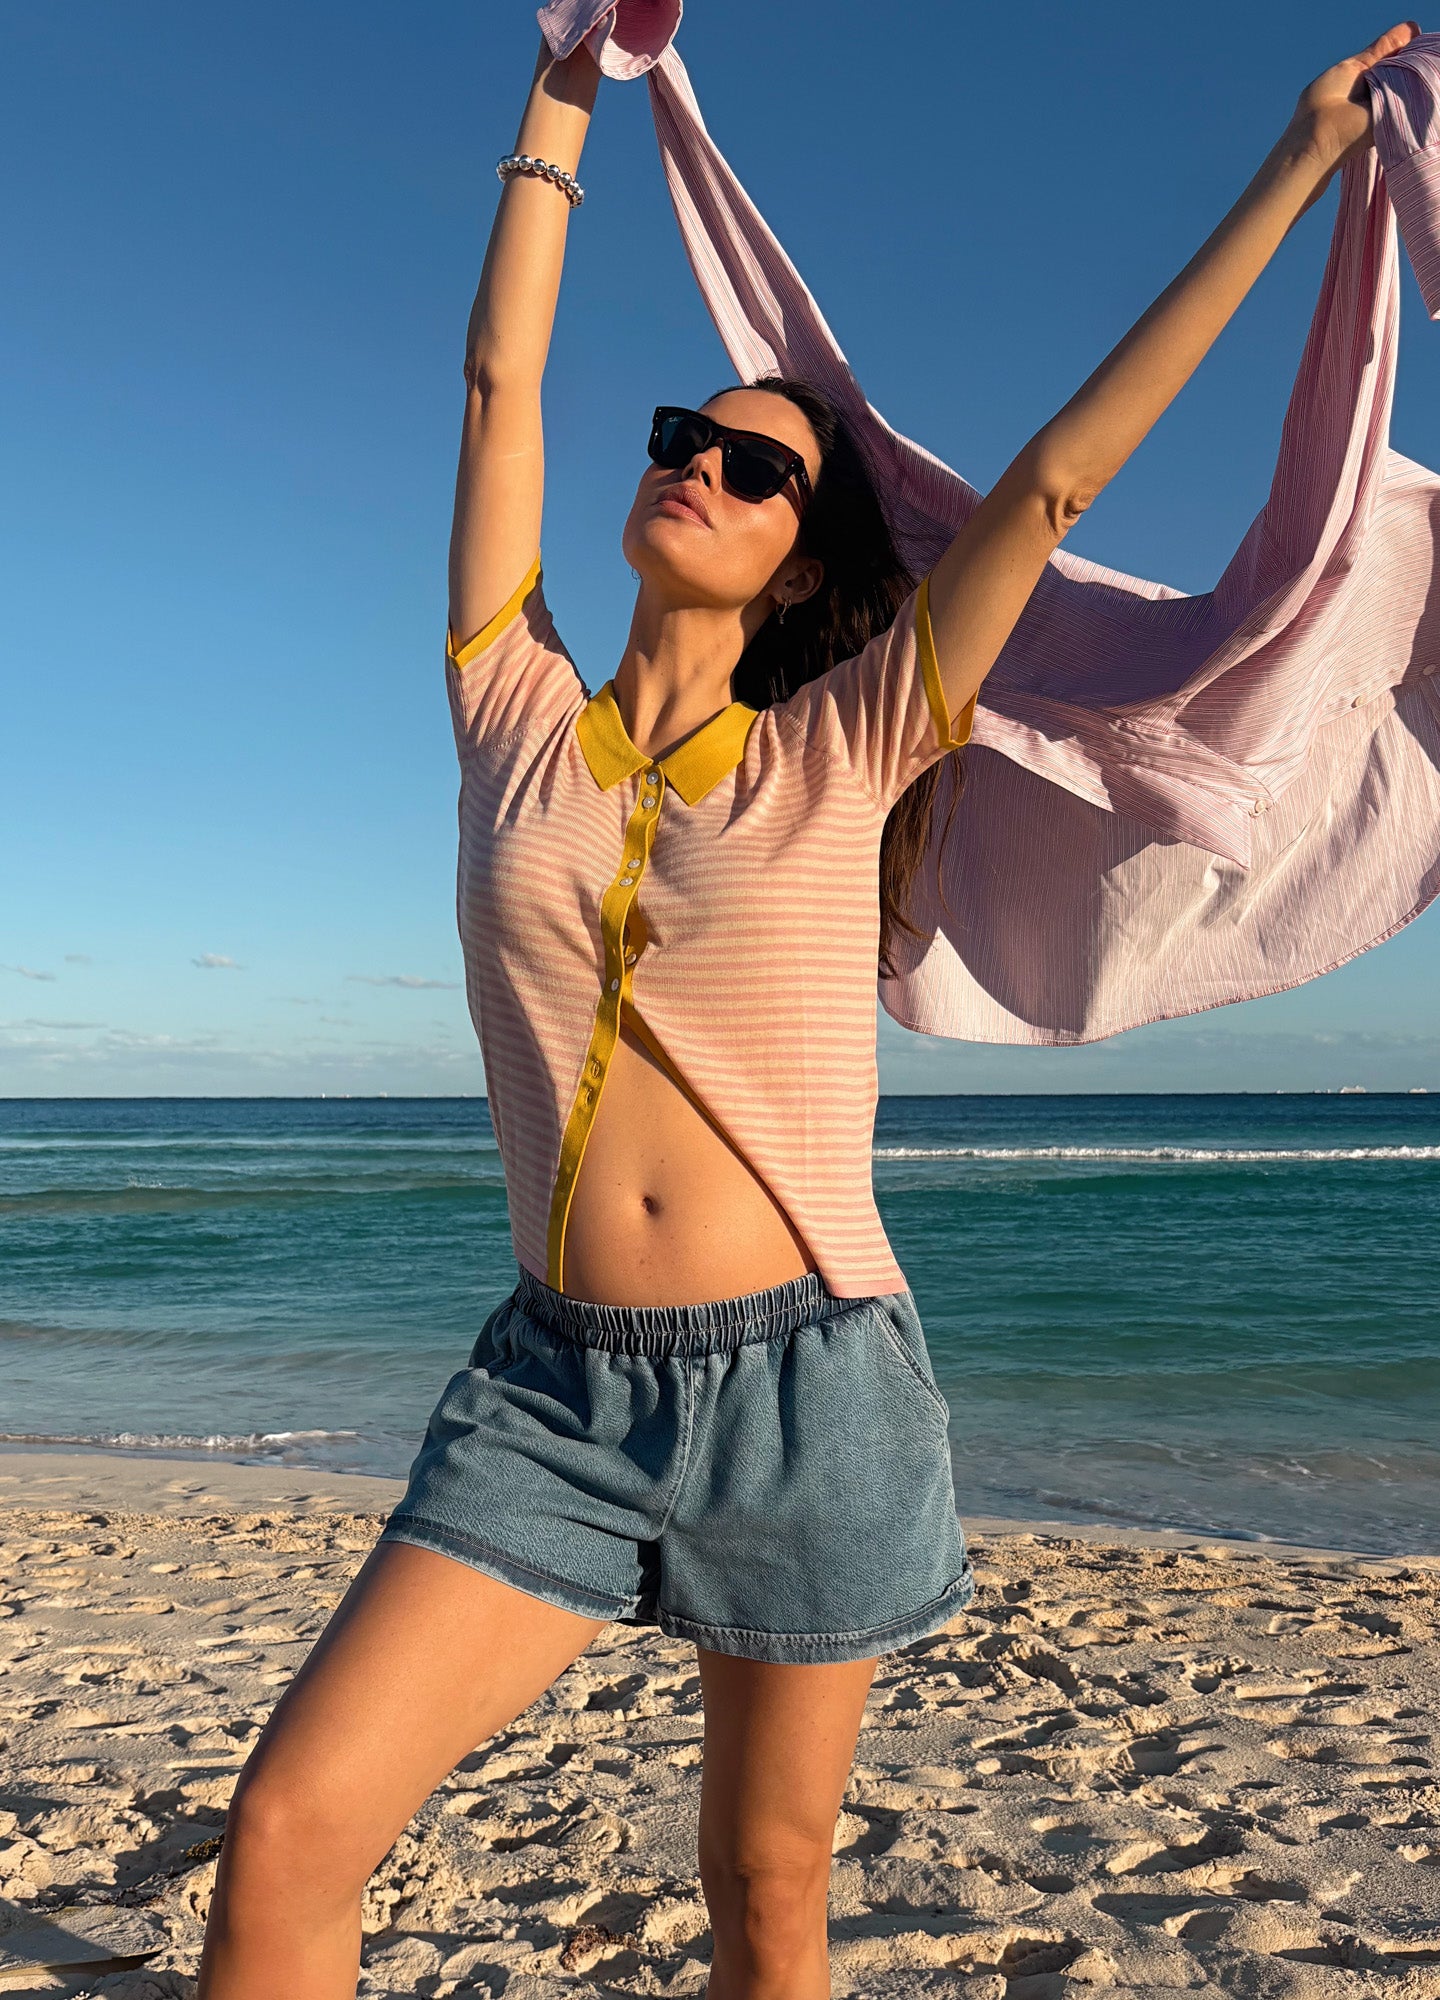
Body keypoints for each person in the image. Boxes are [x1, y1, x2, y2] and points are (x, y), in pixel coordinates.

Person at [197, 19, 1418, 1998]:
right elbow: (502, 377)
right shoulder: (513, 708)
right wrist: (564, 79)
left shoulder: (852, 743)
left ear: (802, 556)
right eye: (684, 432)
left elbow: (1054, 479)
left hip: (811, 1392)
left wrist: (1291, 167)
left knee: (767, 1895)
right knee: (288, 1834)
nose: (696, 465)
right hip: (551, 1390)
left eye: (755, 466)